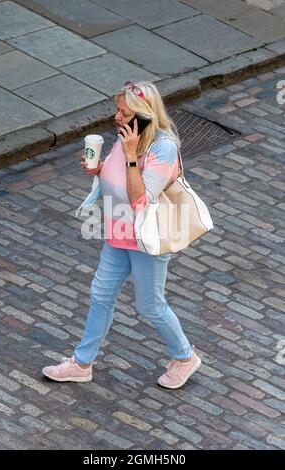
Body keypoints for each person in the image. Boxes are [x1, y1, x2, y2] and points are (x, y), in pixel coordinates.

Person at [42, 81, 202, 389]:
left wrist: (130, 155)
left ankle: (184, 357)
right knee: (100, 295)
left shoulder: (162, 146)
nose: (116, 117)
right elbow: (116, 179)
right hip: (118, 233)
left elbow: (141, 199)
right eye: (117, 110)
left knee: (150, 305)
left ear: (143, 116)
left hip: (147, 239)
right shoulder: (127, 137)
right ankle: (82, 363)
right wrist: (99, 168)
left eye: (123, 112)